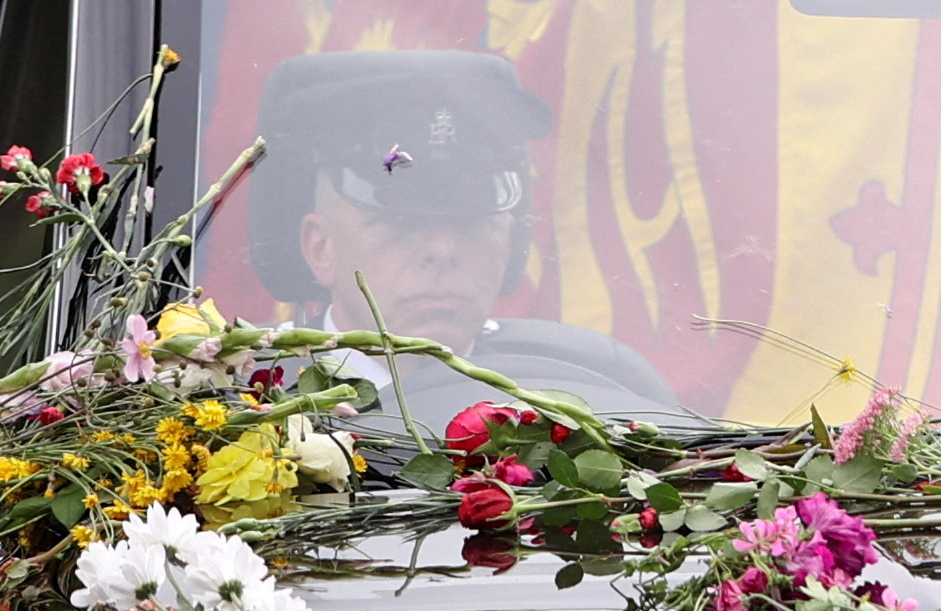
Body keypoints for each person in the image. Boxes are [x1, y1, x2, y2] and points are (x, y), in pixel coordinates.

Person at [246, 50, 676, 426]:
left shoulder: (606, 388)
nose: (443, 250)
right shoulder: (238, 399)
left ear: (508, 243)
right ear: (321, 248)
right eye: (402, 225)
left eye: (472, 225)